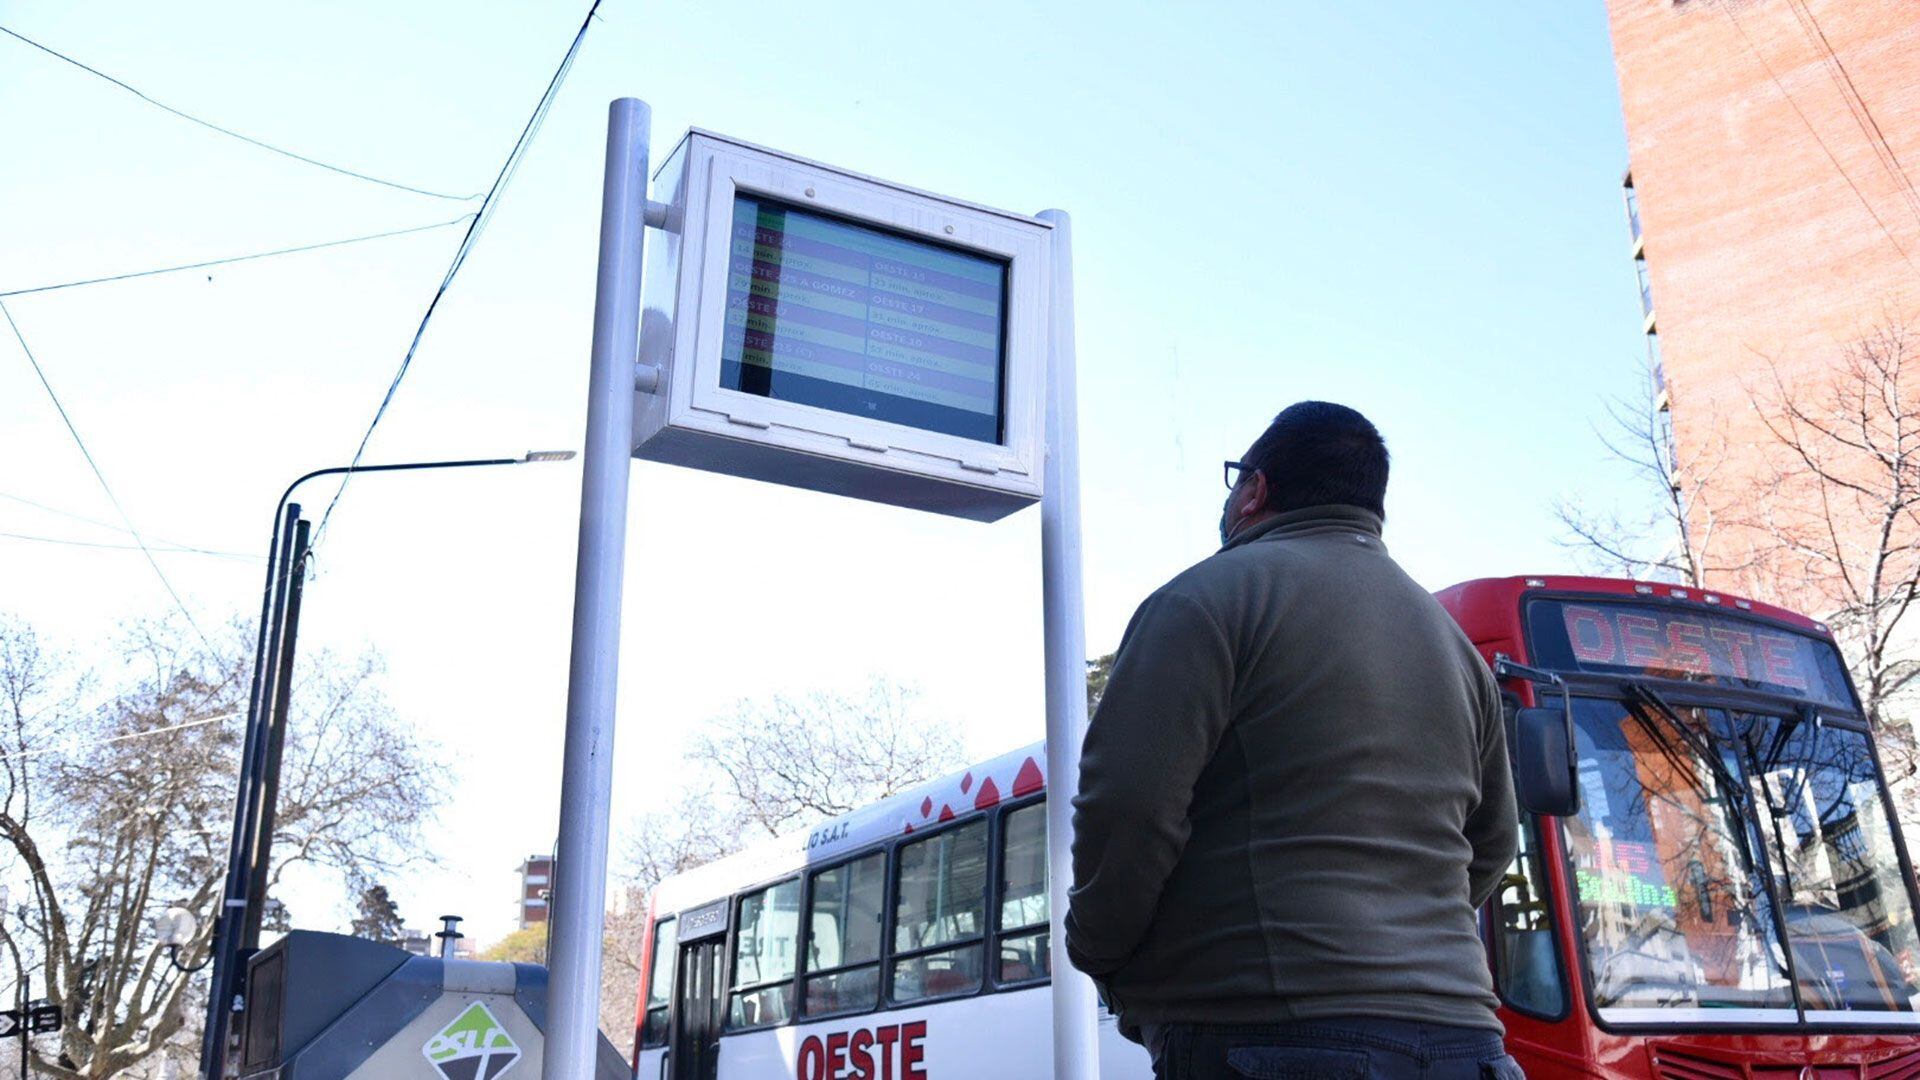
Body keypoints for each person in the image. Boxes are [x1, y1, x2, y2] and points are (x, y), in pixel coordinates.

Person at [1067, 402, 1521, 1080]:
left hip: (1272, 1036)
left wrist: (1101, 952)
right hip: (1467, 1044)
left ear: (1255, 489)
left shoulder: (1206, 600)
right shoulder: (1452, 645)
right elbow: (1493, 843)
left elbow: (1129, 806)